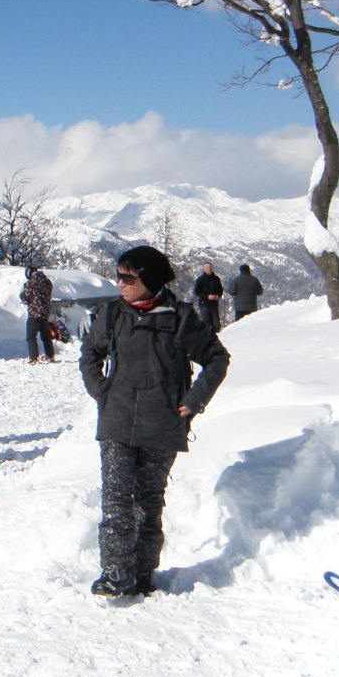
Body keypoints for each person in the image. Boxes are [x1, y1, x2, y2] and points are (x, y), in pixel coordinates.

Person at [80, 245, 230, 597]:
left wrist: (195, 401)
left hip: (162, 423)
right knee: (116, 498)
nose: (120, 283)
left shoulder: (179, 318)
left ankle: (143, 572)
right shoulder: (112, 314)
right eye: (118, 275)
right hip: (117, 420)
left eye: (128, 277)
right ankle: (116, 571)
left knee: (148, 501)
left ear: (148, 279)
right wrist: (100, 390)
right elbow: (90, 353)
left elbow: (217, 359)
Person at [21, 264, 55, 363]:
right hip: (45, 312)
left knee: (31, 336)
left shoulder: (30, 283)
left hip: (34, 313)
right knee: (45, 336)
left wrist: (22, 295)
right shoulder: (48, 282)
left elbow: (26, 297)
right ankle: (50, 355)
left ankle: (33, 357)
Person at [193, 262, 224, 331]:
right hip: (204, 304)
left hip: (214, 304)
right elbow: (196, 292)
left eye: (209, 267)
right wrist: (207, 296)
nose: (208, 268)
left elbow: (220, 290)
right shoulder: (200, 280)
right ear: (204, 269)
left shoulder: (216, 279)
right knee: (206, 323)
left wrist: (218, 296)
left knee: (216, 324)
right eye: (206, 267)